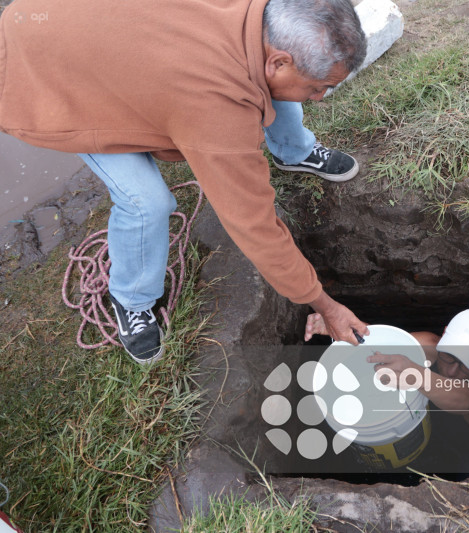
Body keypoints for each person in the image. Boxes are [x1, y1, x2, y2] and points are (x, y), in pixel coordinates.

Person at [0, 0, 371, 363]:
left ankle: (293, 150)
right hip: (44, 64)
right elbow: (254, 225)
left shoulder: (261, 22)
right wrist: (325, 305)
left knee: (269, 81)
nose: (319, 98)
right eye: (318, 87)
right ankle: (132, 299)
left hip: (96, 28)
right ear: (279, 62)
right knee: (147, 203)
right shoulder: (217, 109)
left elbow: (269, 71)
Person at [305, 308, 469, 430]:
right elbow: (383, 345)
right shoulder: (431, 345)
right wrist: (341, 328)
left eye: (466, 365)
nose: (451, 371)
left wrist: (416, 375)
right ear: (444, 334)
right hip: (418, 430)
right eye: (448, 356)